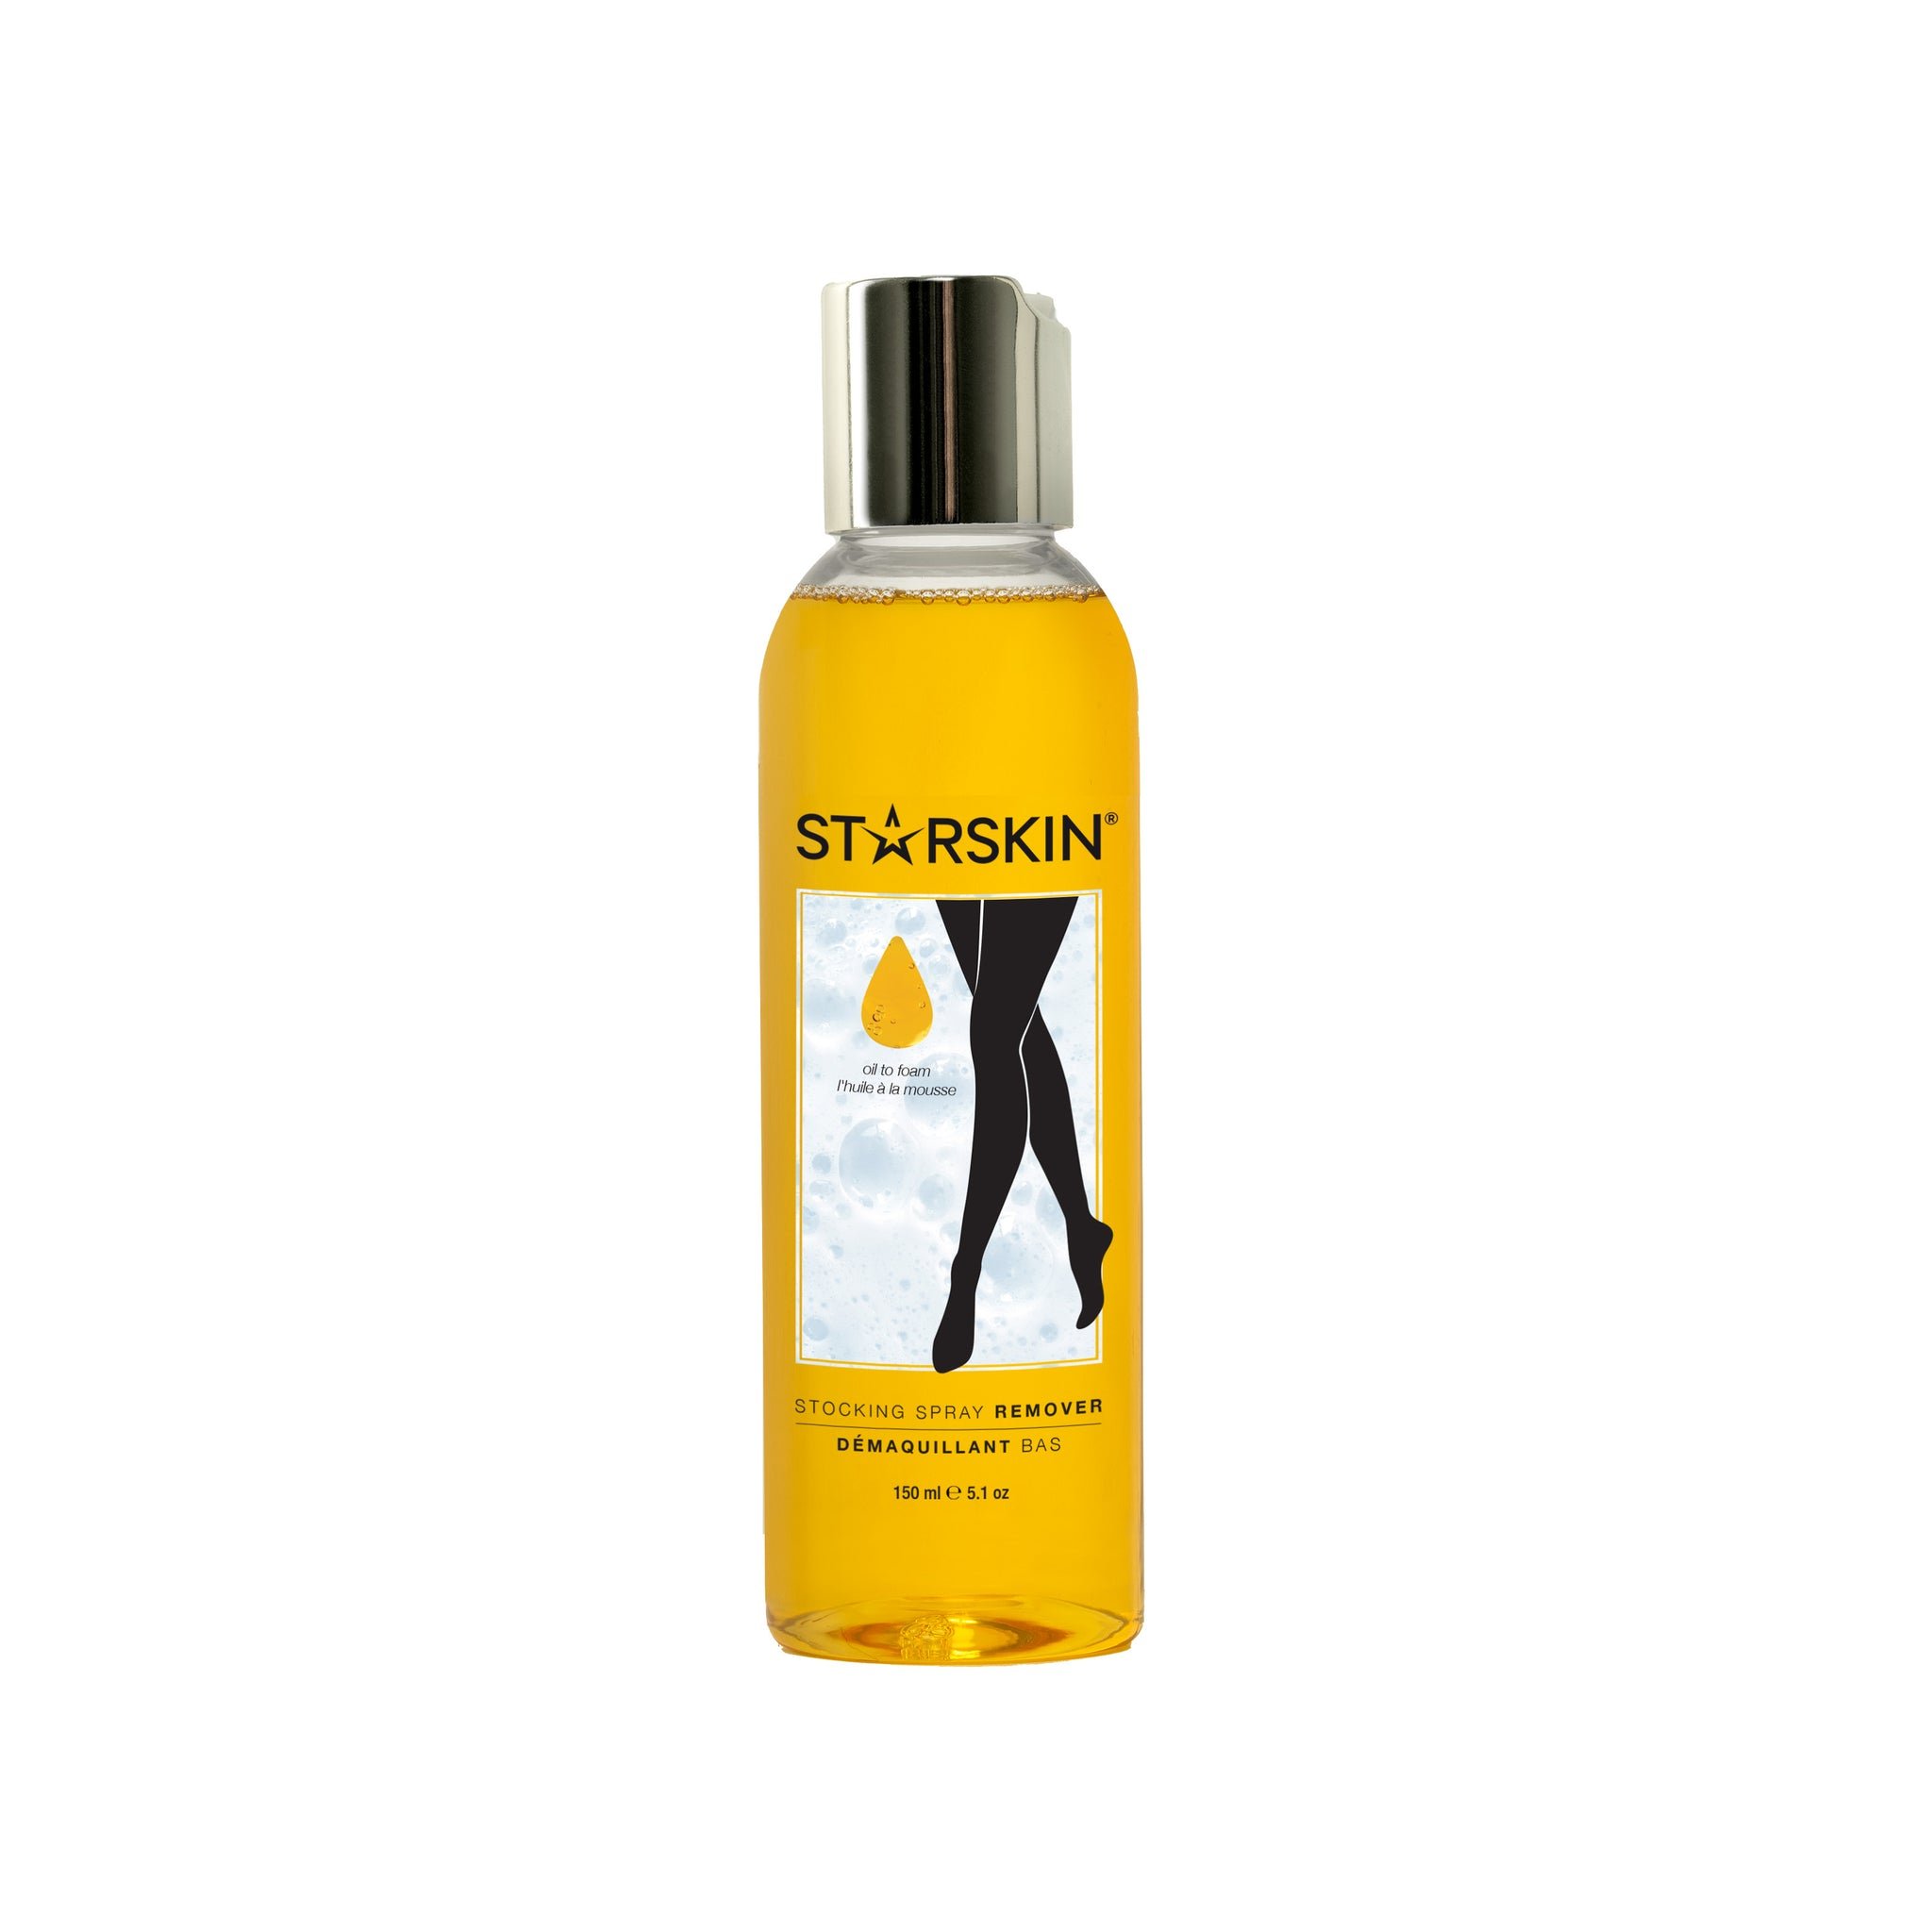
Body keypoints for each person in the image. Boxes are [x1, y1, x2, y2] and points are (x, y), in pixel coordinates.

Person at [930, 896, 1111, 1373]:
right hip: (947, 852)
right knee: (1017, 1027)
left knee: (995, 1033)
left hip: (1033, 852)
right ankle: (1082, 1228)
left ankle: (966, 1270)